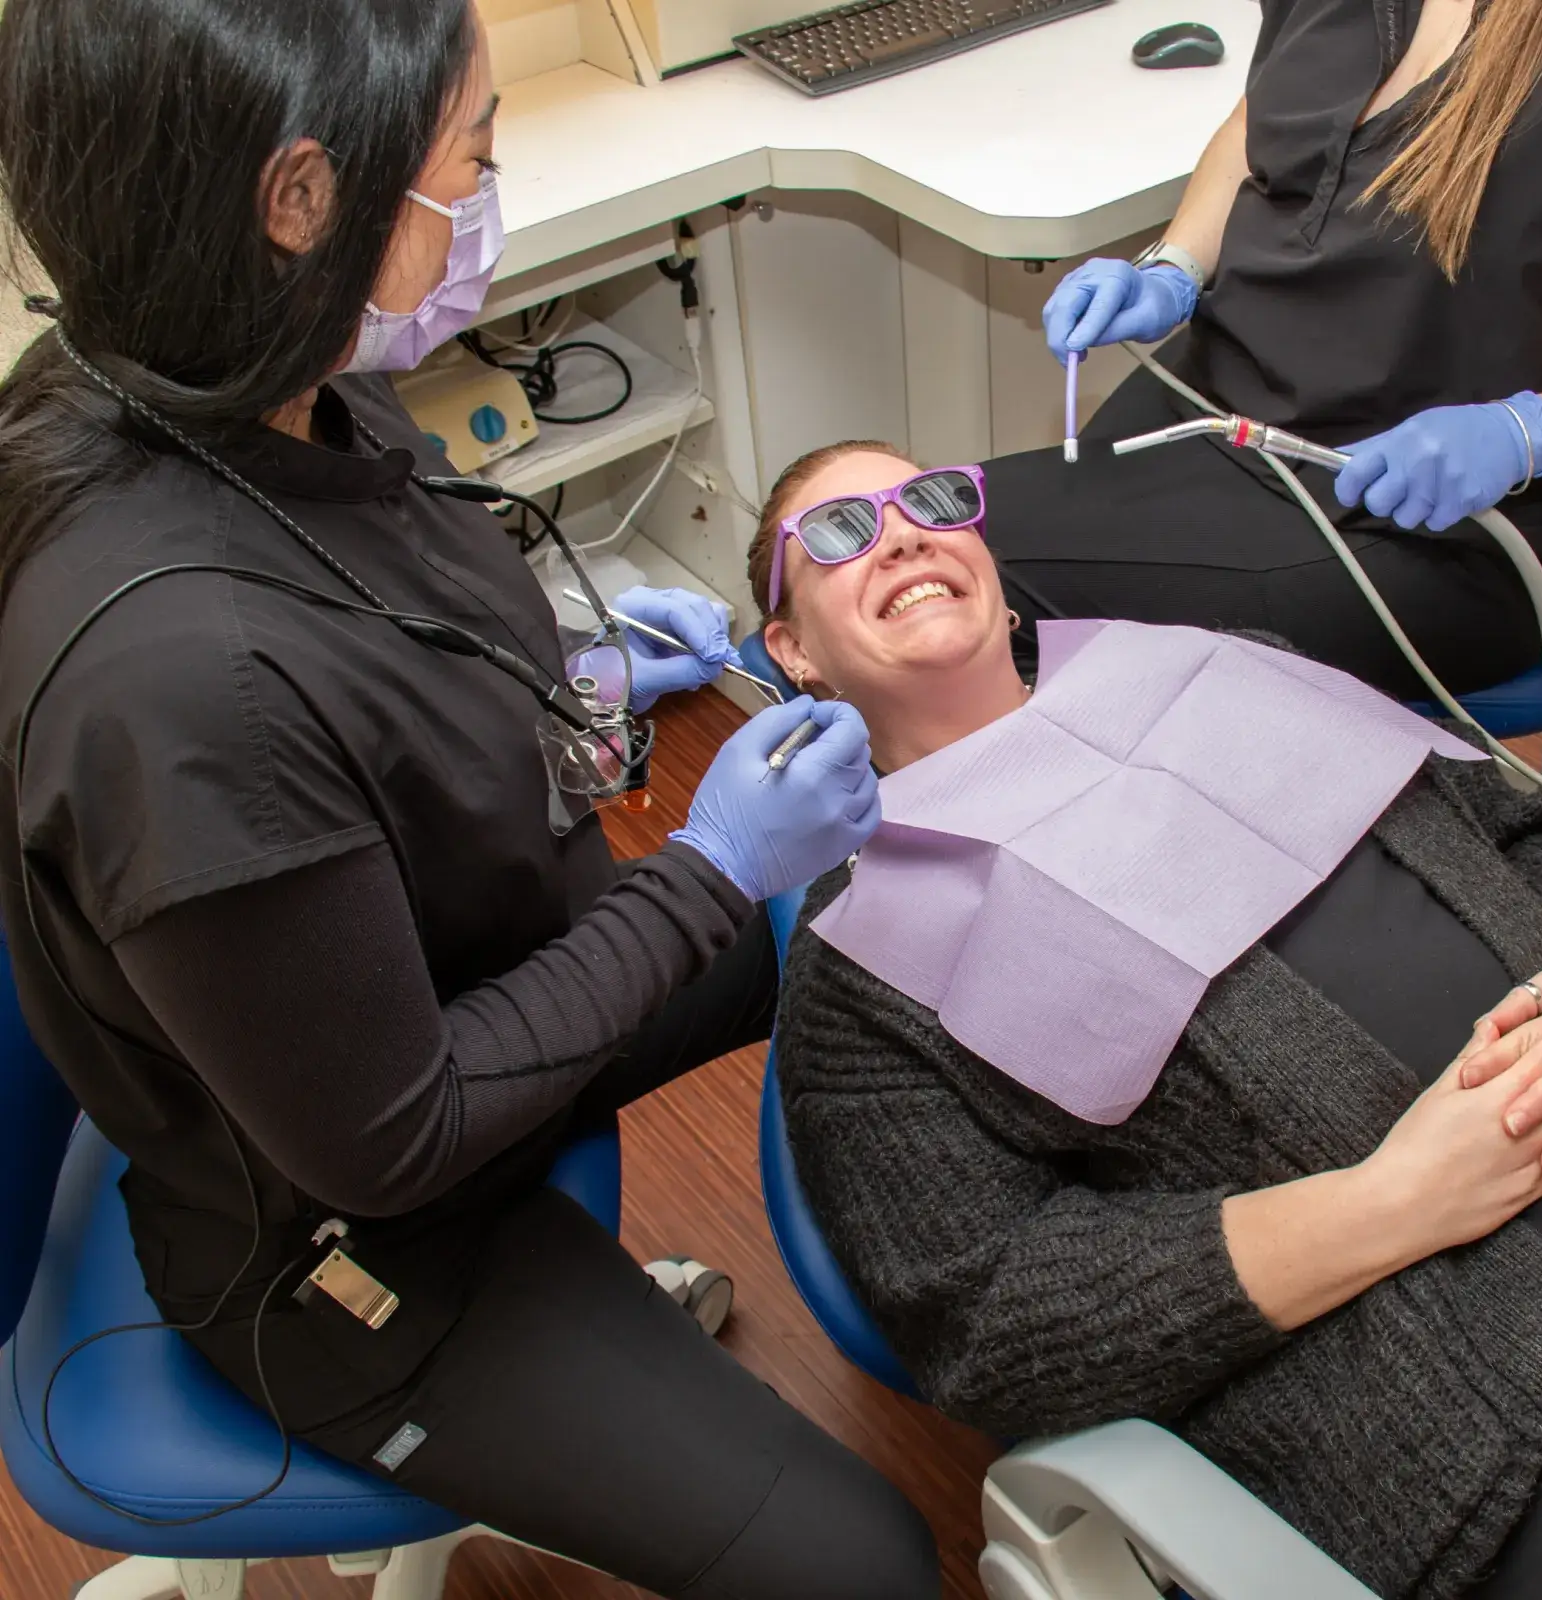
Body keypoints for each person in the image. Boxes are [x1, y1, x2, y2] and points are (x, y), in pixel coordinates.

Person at [0, 5, 937, 1596]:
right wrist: (709, 869)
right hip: (358, 1233)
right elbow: (397, 1134)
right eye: (475, 159)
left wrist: (569, 688)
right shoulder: (174, 681)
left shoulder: (251, 377)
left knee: (859, 912)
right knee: (863, 1563)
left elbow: (347, 703)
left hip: (411, 971)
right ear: (299, 200)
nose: (491, 193)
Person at [749, 440, 1542, 1600]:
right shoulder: (862, 968)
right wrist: (1398, 1198)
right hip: (1455, 1381)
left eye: (933, 502)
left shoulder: (1214, 664)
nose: (905, 535)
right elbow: (988, 1318)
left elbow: (1532, 823)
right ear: (789, 651)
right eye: (844, 529)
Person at [984, 0, 1542, 697]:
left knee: (962, 577)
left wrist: (1528, 433)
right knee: (921, 555)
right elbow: (1271, 111)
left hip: (1446, 522)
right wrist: (1177, 264)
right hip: (1224, 398)